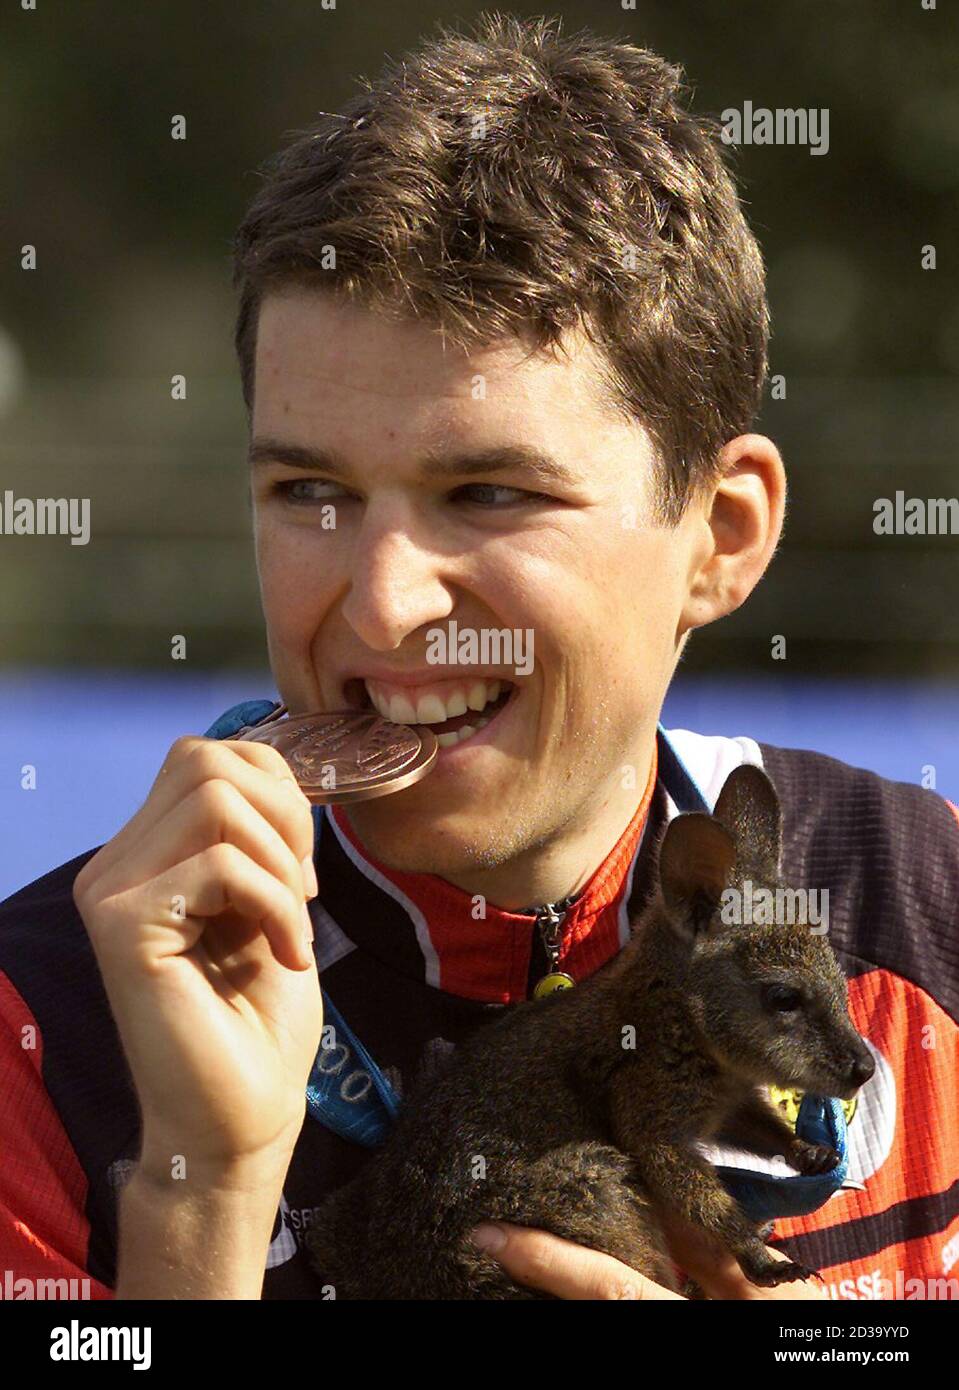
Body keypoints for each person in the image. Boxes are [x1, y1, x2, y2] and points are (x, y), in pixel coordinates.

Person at [1, 14, 956, 1302]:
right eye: (312, 491)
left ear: (720, 539)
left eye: (491, 493)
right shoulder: (34, 1026)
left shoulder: (930, 916)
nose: (387, 609)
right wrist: (197, 1197)